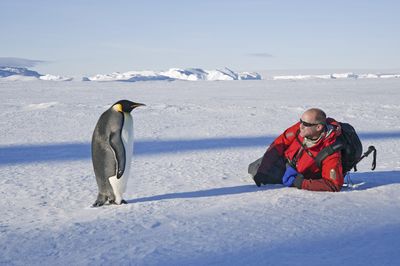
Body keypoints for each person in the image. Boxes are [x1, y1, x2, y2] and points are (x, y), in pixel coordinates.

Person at [251, 108, 343, 192]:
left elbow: (334, 184)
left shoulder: (330, 151)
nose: (300, 126)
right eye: (300, 121)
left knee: (256, 170)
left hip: (301, 175)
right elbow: (279, 144)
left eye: (306, 124)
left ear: (318, 127)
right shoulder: (301, 129)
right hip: (286, 161)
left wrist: (300, 183)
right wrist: (263, 170)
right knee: (254, 168)